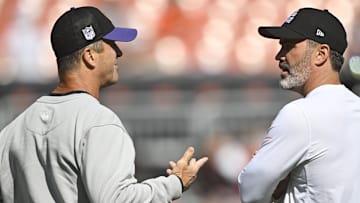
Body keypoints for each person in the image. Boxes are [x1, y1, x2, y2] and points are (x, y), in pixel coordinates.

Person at [0, 6, 208, 203]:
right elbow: (116, 199)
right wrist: (175, 183)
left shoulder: (11, 132)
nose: (119, 52)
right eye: (111, 44)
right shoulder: (98, 122)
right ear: (90, 56)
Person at [238, 7, 360, 203]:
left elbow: (251, 191)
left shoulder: (299, 114)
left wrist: (279, 185)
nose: (279, 56)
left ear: (321, 54)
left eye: (288, 45)